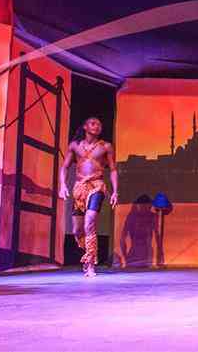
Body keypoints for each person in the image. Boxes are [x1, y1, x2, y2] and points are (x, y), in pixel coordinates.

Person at [59, 117, 118, 278]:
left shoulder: (105, 147)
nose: (97, 126)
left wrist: (115, 191)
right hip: (79, 188)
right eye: (93, 123)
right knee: (77, 230)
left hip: (97, 186)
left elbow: (113, 169)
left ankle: (91, 264)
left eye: (99, 124)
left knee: (89, 222)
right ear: (85, 127)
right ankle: (89, 253)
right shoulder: (74, 146)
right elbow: (64, 167)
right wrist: (63, 185)